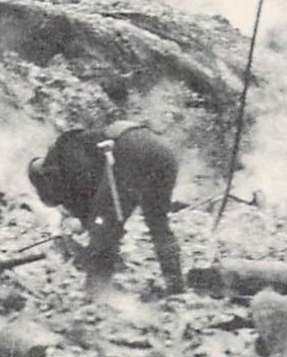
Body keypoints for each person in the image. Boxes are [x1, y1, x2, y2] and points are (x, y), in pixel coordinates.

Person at [27, 120, 186, 296]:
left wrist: (89, 226)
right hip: (162, 151)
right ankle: (175, 286)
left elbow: (90, 195)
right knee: (158, 223)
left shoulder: (59, 156)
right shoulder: (80, 144)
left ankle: (98, 293)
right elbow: (97, 194)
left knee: (104, 227)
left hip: (129, 149)